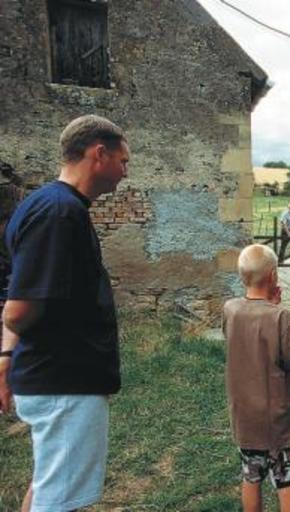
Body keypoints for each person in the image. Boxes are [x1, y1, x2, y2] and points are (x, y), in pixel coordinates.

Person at [0, 115, 129, 512]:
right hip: (64, 382)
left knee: (48, 487)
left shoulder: (47, 204)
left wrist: (6, 358)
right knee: (58, 502)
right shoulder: (59, 213)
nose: (126, 173)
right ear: (99, 153)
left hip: (55, 377)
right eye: (123, 161)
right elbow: (17, 309)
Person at [223, 244, 290, 512]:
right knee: (286, 481)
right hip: (278, 419)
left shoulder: (230, 310)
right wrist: (274, 307)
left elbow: (246, 336)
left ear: (242, 277)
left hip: (245, 418)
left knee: (251, 477)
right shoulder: (281, 317)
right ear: (273, 276)